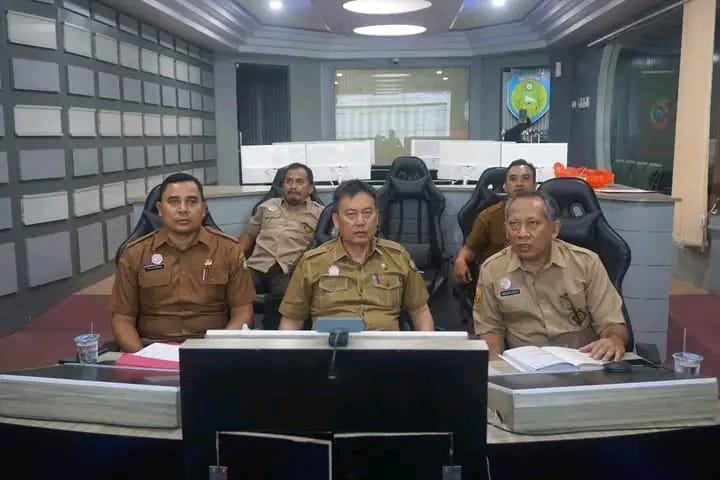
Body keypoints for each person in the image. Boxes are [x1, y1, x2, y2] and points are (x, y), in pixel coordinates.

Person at [473, 190, 628, 361]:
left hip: (583, 363)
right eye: (514, 224)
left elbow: (612, 323)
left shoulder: (586, 263)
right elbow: (490, 331)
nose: (521, 233)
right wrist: (495, 368)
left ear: (554, 229)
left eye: (532, 223)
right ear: (506, 230)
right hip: (524, 367)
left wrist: (613, 340)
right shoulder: (492, 269)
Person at [111, 173, 255, 352]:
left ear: (203, 209)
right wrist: (143, 357)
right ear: (160, 209)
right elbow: (122, 320)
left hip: (212, 349)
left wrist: (217, 351)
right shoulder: (134, 254)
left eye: (192, 202)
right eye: (173, 202)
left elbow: (242, 313)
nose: (183, 209)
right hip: (151, 349)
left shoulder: (229, 250)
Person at [278, 179, 434, 331]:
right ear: (336, 221)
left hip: (385, 346)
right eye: (351, 214)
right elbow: (292, 320)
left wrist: (425, 346)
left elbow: (420, 311)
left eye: (367, 213)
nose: (360, 222)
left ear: (377, 217)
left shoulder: (397, 256)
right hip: (331, 345)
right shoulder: (312, 262)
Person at [238, 163, 324, 329]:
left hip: (288, 270)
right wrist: (231, 261)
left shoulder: (319, 214)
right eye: (289, 181)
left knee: (286, 292)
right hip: (257, 267)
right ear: (282, 185)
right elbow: (248, 236)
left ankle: (274, 335)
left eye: (299, 182)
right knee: (233, 284)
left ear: (310, 188)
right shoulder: (266, 207)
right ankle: (240, 330)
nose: (293, 186)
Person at [453, 159, 537, 286]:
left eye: (525, 178)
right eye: (513, 179)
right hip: (501, 279)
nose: (519, 184)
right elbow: (470, 248)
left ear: (535, 185)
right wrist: (460, 260)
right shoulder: (489, 216)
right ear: (505, 186)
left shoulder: (545, 215)